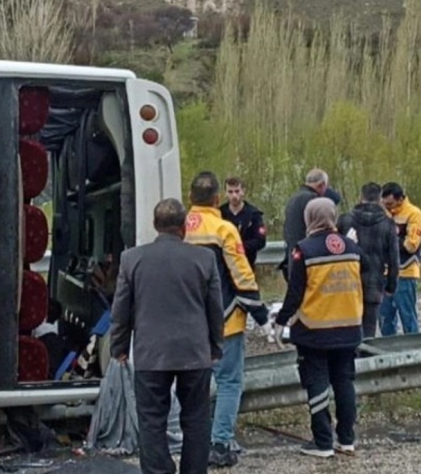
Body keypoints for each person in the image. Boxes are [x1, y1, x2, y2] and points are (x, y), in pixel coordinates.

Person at [109, 198, 225, 474]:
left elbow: (121, 309)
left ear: (154, 225)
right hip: (195, 353)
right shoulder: (204, 259)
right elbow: (215, 309)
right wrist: (215, 346)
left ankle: (159, 470)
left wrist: (119, 346)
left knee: (151, 421)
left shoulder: (131, 259)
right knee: (196, 419)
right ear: (184, 227)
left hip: (151, 354)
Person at [184, 171, 270, 468]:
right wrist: (261, 314)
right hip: (224, 319)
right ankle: (220, 444)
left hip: (187, 321)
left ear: (190, 197)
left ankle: (195, 441)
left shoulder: (178, 227)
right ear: (217, 198)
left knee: (195, 383)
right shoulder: (223, 229)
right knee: (229, 381)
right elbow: (241, 275)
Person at [273, 197, 363, 458]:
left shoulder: (304, 249)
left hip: (314, 329)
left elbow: (296, 291)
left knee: (317, 384)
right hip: (349, 327)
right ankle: (347, 439)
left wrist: (281, 321)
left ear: (309, 218)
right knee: (344, 383)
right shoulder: (352, 247)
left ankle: (323, 442)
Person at [336, 182, 399, 339]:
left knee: (348, 330)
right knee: (369, 331)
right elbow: (394, 259)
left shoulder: (345, 220)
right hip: (374, 284)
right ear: (379, 200)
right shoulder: (388, 224)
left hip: (347, 283)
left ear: (360, 197)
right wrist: (391, 286)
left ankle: (349, 361)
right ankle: (366, 360)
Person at [379, 182, 421, 336]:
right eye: (385, 204)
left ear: (400, 199)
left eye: (391, 204)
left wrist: (388, 237)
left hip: (405, 272)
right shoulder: (383, 213)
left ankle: (413, 350)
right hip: (384, 273)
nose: (388, 207)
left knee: (408, 317)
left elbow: (411, 245)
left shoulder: (414, 214)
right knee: (385, 319)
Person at [280, 168, 330, 280]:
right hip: (309, 260)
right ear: (322, 185)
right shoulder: (313, 200)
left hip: (293, 257)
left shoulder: (293, 198)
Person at [220, 177, 267, 270]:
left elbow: (260, 241)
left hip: (247, 265)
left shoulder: (254, 214)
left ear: (243, 192)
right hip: (225, 268)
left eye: (237, 191)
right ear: (225, 193)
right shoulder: (220, 214)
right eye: (230, 192)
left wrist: (239, 247)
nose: (234, 196)